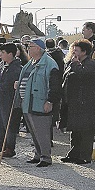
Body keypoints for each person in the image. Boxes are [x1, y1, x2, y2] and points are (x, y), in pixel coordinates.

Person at [18, 38, 61, 167]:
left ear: (38, 48)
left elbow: (54, 86)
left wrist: (50, 101)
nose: (27, 49)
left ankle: (46, 157)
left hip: (40, 102)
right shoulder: (31, 62)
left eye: (30, 46)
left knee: (42, 131)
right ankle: (38, 154)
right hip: (28, 102)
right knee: (33, 131)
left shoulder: (50, 64)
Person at [60, 40, 95, 164]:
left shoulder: (90, 64)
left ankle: (84, 156)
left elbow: (84, 75)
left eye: (76, 51)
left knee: (85, 131)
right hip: (74, 101)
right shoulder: (73, 63)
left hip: (86, 102)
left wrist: (76, 65)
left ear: (84, 52)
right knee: (75, 130)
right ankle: (74, 154)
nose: (74, 53)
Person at [0, 43, 22, 158]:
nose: (0, 55)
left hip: (10, 100)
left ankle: (9, 147)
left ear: (10, 54)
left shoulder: (16, 68)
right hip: (1, 99)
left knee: (8, 124)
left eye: (3, 53)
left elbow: (6, 85)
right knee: (0, 123)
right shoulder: (2, 65)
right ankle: (0, 144)